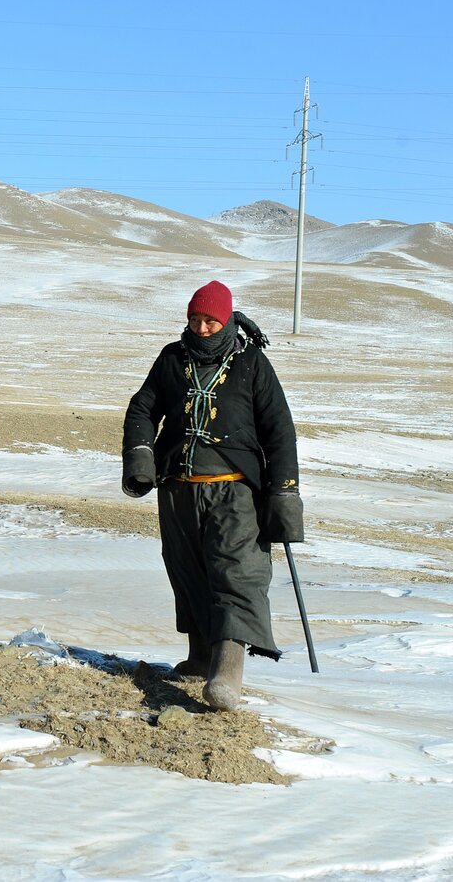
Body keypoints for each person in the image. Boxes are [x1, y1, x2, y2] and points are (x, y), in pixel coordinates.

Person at [122, 280, 304, 710]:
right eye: (194, 319)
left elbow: (280, 431)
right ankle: (200, 656)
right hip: (180, 491)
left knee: (236, 575)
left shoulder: (252, 364)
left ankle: (227, 673)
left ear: (226, 321)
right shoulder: (172, 358)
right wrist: (141, 455)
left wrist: (284, 493)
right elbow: (143, 408)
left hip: (234, 493)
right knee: (188, 573)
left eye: (210, 320)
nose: (201, 328)